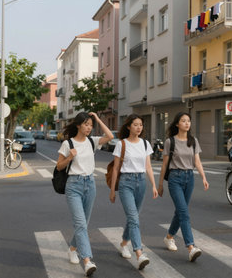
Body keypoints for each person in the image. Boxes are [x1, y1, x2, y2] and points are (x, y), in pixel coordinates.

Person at [56, 112, 113, 276]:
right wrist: (69, 158)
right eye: (86, 124)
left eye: (91, 125)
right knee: (80, 224)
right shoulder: (68, 144)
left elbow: (109, 135)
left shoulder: (92, 141)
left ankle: (73, 248)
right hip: (73, 185)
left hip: (90, 184)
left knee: (84, 224)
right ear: (78, 125)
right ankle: (87, 260)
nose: (89, 127)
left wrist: (97, 118)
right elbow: (59, 166)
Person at [158, 112, 209, 262]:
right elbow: (164, 165)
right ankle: (191, 247)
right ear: (177, 124)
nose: (187, 123)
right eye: (183, 121)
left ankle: (169, 237)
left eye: (188, 121)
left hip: (189, 178)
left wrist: (204, 177)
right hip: (175, 179)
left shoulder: (193, 141)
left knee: (181, 212)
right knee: (184, 213)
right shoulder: (170, 142)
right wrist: (160, 184)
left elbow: (197, 161)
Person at [109, 114, 158, 270]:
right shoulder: (121, 144)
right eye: (135, 124)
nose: (139, 127)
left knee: (133, 218)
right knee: (133, 218)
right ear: (129, 126)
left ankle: (124, 243)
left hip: (141, 182)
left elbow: (148, 166)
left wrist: (154, 185)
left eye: (141, 125)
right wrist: (112, 191)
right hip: (126, 183)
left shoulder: (145, 144)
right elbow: (116, 168)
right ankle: (139, 253)